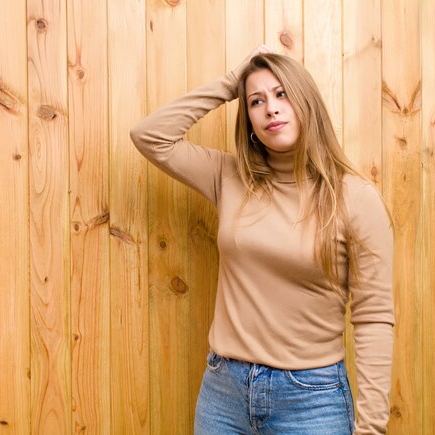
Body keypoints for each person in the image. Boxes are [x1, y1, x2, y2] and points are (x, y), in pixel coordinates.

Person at [130, 46, 394, 435]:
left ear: (308, 103)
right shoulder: (230, 177)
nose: (271, 108)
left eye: (283, 93)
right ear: (249, 120)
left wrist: (371, 427)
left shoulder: (355, 198)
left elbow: (374, 317)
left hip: (311, 399)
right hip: (223, 391)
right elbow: (150, 136)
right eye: (257, 100)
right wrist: (230, 81)